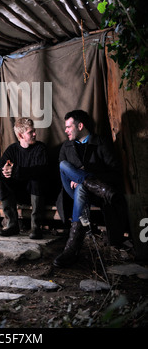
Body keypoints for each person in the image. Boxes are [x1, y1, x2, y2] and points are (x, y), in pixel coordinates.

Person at [54, 110, 126, 268]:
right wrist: (75, 176)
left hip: (94, 194)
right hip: (71, 190)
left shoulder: (100, 142)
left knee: (81, 188)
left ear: (80, 126)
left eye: (68, 127)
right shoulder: (66, 146)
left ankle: (71, 251)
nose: (65, 130)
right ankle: (89, 182)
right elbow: (62, 172)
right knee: (63, 165)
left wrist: (85, 176)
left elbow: (115, 172)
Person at [0, 118, 49, 239]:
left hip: (37, 194)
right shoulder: (12, 149)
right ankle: (12, 224)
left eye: (34, 131)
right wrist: (4, 172)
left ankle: (36, 227)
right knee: (0, 179)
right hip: (18, 195)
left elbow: (42, 170)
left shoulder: (41, 148)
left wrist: (16, 171)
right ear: (20, 135)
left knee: (36, 178)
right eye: (30, 132)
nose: (35, 134)